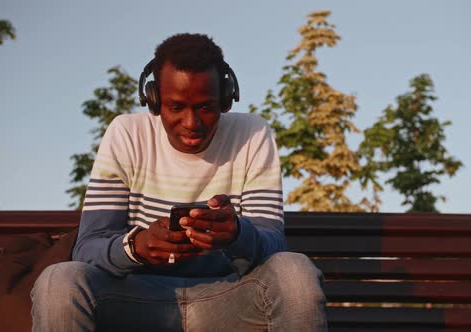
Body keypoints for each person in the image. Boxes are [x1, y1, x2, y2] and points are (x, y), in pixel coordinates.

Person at [31, 33, 327, 331]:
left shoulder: (253, 134)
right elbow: (87, 249)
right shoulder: (126, 134)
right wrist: (137, 246)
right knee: (59, 280)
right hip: (138, 300)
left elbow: (274, 246)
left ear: (225, 98)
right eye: (175, 108)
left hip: (228, 299)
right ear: (154, 99)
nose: (191, 123)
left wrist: (237, 233)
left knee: (295, 271)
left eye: (205, 107)